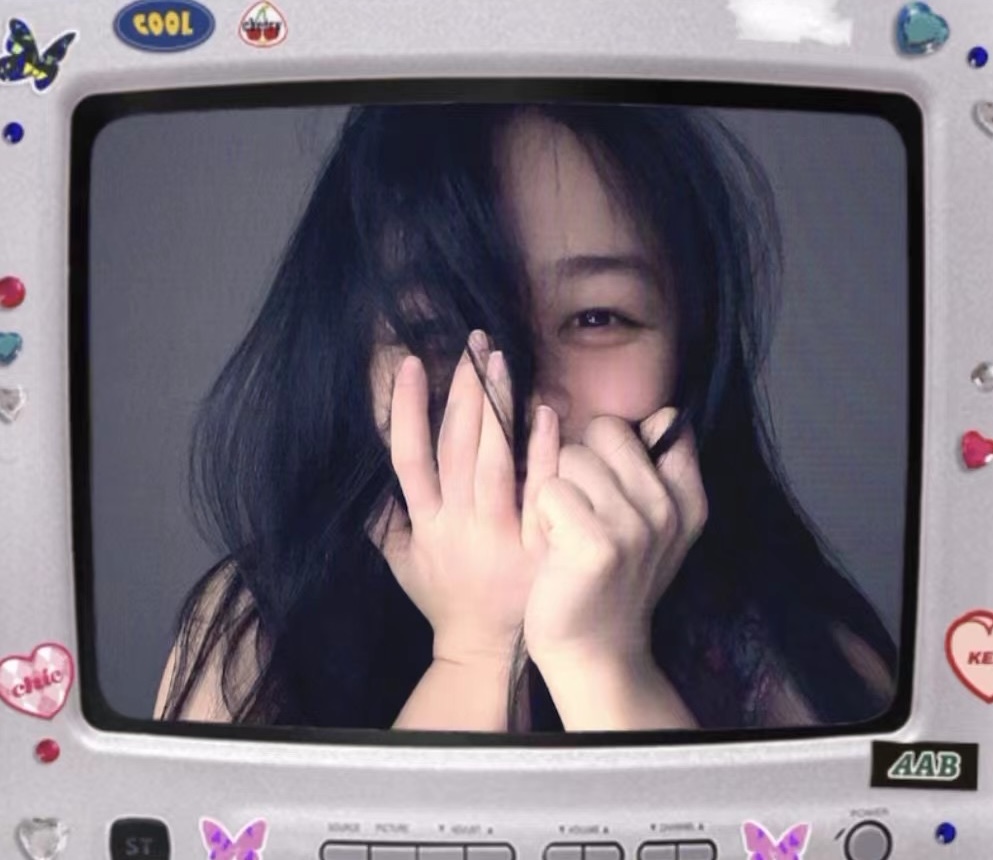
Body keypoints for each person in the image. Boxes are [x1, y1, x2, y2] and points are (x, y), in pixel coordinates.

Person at [154, 102, 897, 731]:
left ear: (692, 351)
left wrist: (602, 662)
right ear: (352, 361)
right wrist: (475, 650)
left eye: (597, 317)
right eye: (436, 327)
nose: (523, 392)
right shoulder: (256, 630)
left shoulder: (797, 663)